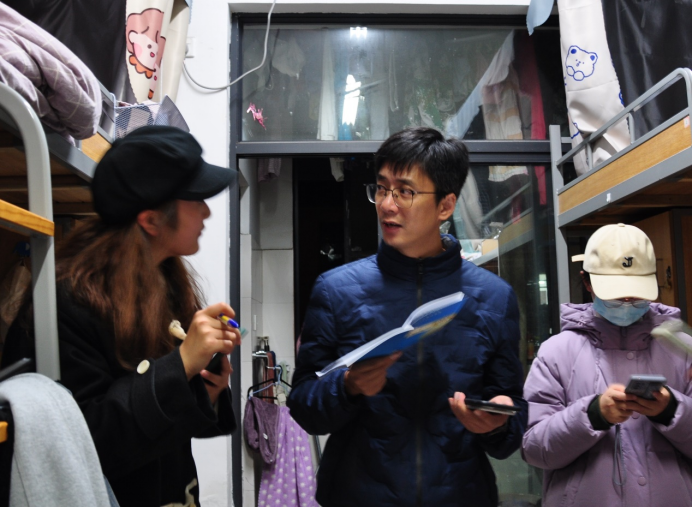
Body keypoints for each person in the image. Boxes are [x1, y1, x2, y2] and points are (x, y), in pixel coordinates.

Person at [287, 127, 528, 507]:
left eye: (405, 192)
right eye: (382, 188)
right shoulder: (336, 290)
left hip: (459, 495)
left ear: (445, 206)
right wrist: (347, 386)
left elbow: (511, 420)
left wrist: (497, 423)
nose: (387, 204)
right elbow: (303, 405)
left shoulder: (493, 298)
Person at [2, 126, 241, 506]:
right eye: (196, 198)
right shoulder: (68, 302)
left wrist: (206, 390)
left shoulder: (164, 282)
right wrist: (180, 365)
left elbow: (162, 428)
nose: (207, 211)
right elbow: (84, 442)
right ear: (151, 221)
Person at [522, 223, 692, 506]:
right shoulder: (557, 353)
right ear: (587, 282)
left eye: (636, 294)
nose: (626, 302)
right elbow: (534, 449)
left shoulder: (682, 347)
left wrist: (672, 410)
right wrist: (591, 415)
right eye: (615, 294)